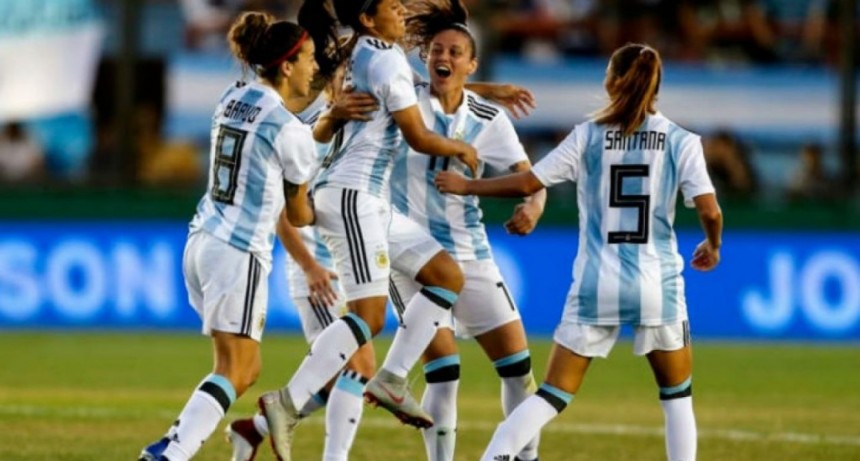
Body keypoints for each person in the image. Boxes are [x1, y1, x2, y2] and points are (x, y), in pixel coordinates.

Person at [436, 43, 723, 461]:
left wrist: (468, 186)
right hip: (656, 285)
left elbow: (528, 183)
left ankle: (495, 456)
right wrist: (713, 245)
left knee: (551, 395)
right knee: (676, 396)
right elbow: (710, 210)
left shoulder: (588, 136)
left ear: (611, 82)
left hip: (596, 283)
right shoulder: (682, 141)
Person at [254, 0, 482, 459]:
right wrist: (460, 148)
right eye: (392, 6)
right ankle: (288, 402)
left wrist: (490, 90)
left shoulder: (358, 51)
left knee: (446, 276)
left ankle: (393, 377)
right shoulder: (385, 61)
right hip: (352, 197)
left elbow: (419, 93)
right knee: (370, 317)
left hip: (373, 200)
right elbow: (417, 136)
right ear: (367, 18)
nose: (402, 12)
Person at [137, 12, 320, 461]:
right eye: (310, 58)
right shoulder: (290, 130)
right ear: (287, 65)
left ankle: (172, 443)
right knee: (236, 369)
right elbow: (299, 215)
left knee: (244, 368)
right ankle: (171, 453)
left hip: (202, 239)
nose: (315, 68)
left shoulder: (231, 96)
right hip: (238, 252)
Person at [383, 2, 545, 460]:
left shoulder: (489, 119)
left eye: (455, 52)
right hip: (412, 255)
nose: (444, 57)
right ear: (425, 58)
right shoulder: (405, 102)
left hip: (470, 252)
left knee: (518, 371)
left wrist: (533, 206)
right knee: (444, 372)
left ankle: (526, 457)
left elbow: (531, 179)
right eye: (437, 50)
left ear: (471, 64)